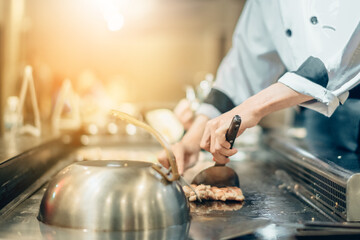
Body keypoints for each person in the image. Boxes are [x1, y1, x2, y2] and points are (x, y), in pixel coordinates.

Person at [158, 0, 360, 174]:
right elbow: (242, 70)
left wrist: (252, 108)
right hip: (323, 118)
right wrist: (191, 141)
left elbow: (340, 58)